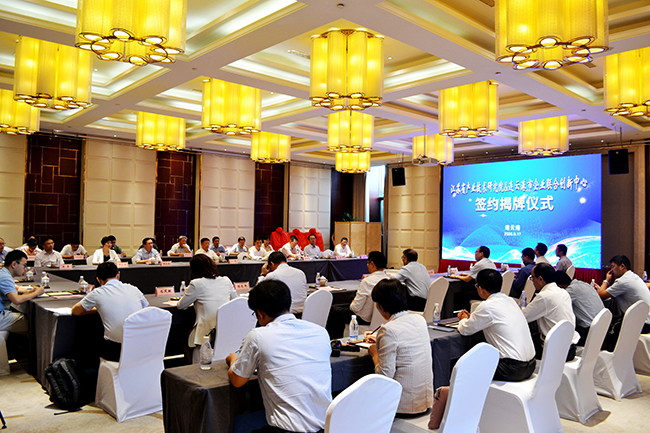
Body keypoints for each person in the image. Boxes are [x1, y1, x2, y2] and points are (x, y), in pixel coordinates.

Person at [226, 279, 331, 433]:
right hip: (326, 427)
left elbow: (237, 380)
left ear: (260, 313)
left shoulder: (258, 336)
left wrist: (233, 359)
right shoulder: (320, 331)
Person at [366, 279, 433, 415]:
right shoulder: (419, 319)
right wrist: (380, 339)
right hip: (425, 400)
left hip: (403, 405)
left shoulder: (388, 330)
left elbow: (385, 377)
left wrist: (375, 354)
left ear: (381, 306)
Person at [457, 269, 536, 381]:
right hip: (531, 365)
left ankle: (454, 391)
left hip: (512, 368)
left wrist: (463, 319)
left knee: (466, 364)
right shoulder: (510, 301)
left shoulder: (487, 306)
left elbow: (465, 330)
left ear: (480, 288)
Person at [71, 262, 148, 361]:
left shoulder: (97, 293)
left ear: (99, 280)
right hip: (143, 346)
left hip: (116, 350)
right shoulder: (133, 289)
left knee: (92, 342)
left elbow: (75, 311)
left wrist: (97, 309)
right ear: (118, 274)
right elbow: (148, 309)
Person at [177, 254, 237, 362]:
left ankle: (190, 367)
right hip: (226, 329)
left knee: (182, 337)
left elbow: (181, 306)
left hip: (206, 332)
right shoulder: (226, 280)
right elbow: (235, 301)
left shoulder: (196, 284)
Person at [522, 263, 580, 360]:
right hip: (570, 348)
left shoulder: (544, 296)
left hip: (554, 352)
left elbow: (523, 317)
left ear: (540, 279)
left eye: (532, 277)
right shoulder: (563, 292)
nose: (532, 281)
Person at [325, 251, 388, 339]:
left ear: (372, 264)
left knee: (333, 311)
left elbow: (355, 308)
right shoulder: (389, 280)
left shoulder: (367, 281)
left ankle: (333, 341)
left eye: (368, 263)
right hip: (381, 319)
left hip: (363, 319)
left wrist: (352, 303)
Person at [0, 250, 45, 374]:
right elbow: (17, 300)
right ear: (14, 264)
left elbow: (17, 288)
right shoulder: (5, 277)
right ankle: (38, 363)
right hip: (1, 317)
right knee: (36, 324)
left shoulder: (3, 273)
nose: (25, 269)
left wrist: (29, 291)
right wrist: (36, 293)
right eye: (24, 265)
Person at [596, 255, 650, 335]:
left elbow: (600, 295)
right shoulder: (633, 276)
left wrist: (607, 280)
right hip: (646, 321)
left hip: (641, 324)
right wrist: (602, 290)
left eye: (613, 266)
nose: (611, 270)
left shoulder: (623, 281)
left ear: (622, 266)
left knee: (610, 330)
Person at [555, 271, 604, 346]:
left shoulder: (569, 291)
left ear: (559, 286)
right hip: (603, 326)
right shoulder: (584, 284)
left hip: (589, 331)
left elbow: (556, 304)